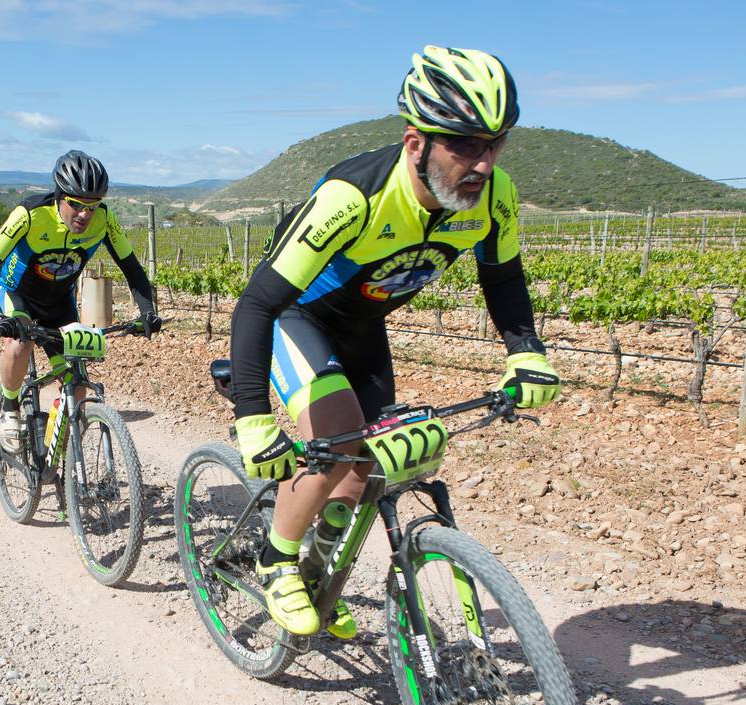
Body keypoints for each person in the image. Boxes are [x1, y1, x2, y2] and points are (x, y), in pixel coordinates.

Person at [227, 46, 561, 639]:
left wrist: (526, 352)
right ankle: (276, 559)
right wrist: (253, 418)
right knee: (337, 440)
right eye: (463, 143)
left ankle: (314, 566)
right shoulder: (354, 196)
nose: (482, 163)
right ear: (416, 143)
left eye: (495, 143)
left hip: (365, 327)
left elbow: (503, 277)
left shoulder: (494, 197)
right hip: (298, 317)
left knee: (368, 470)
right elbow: (258, 302)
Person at [0, 150, 160, 453]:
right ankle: (9, 407)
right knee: (20, 344)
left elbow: (132, 268)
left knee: (77, 387)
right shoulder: (30, 214)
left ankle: (58, 458)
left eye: (93, 206)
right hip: (18, 296)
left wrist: (148, 311)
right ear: (59, 196)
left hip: (59, 302)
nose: (85, 214)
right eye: (77, 205)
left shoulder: (105, 220)